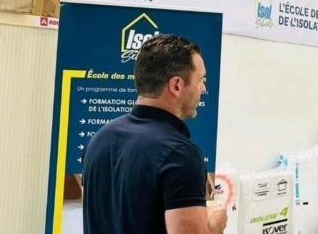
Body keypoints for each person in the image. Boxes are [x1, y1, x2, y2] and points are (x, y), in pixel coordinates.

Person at [82, 34, 227, 234]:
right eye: (200, 80)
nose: (203, 88)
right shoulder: (179, 154)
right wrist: (214, 223)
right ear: (176, 85)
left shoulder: (99, 139)